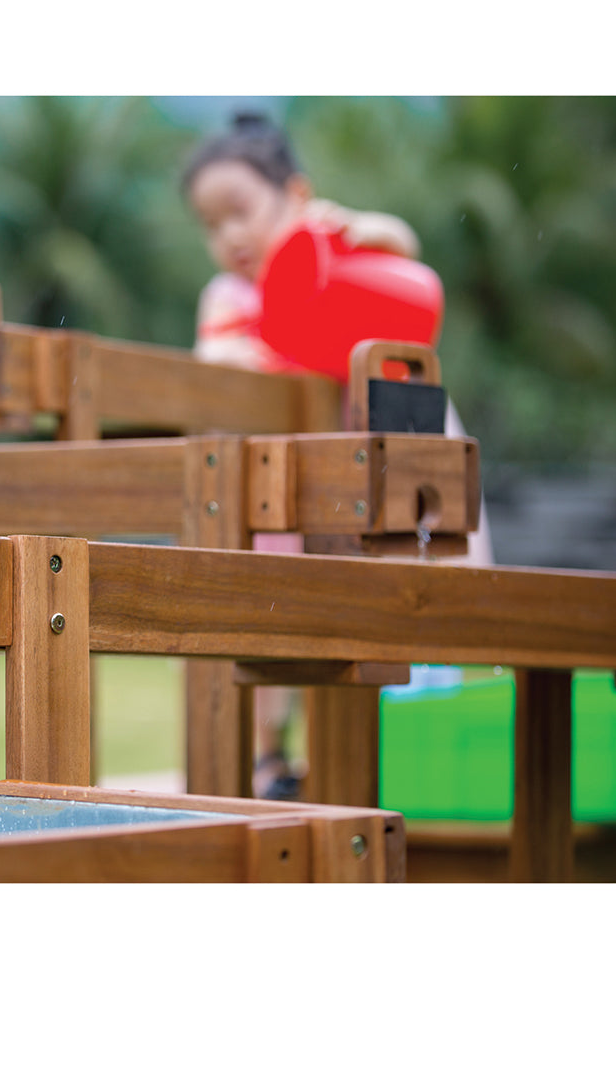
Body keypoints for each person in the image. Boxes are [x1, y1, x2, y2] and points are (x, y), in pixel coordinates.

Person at [181, 110, 492, 799]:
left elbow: (403, 257)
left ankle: (415, 748)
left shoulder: (337, 249)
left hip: (380, 461)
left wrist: (363, 228)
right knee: (272, 623)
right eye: (211, 224)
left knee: (409, 596)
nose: (229, 236)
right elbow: (215, 361)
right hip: (285, 489)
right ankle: (268, 757)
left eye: (240, 211)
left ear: (295, 196)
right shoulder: (228, 296)